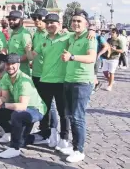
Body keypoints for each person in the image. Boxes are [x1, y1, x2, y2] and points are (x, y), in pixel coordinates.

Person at [0, 53, 46, 158]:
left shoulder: (24, 80)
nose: (10, 66)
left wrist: (3, 105)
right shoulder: (5, 78)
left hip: (34, 110)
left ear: (18, 64)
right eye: (8, 64)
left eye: (13, 63)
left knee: (17, 115)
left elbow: (23, 106)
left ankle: (15, 148)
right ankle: (15, 134)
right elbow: (5, 97)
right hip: (20, 109)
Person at [26, 13, 70, 150]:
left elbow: (83, 35)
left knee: (63, 112)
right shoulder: (43, 39)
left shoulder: (67, 37)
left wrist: (92, 30)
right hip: (45, 80)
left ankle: (64, 138)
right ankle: (50, 134)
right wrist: (28, 50)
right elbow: (32, 56)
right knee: (45, 110)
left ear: (59, 23)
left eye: (53, 22)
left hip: (61, 80)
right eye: (48, 22)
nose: (50, 25)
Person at [60, 10, 97, 162]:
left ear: (86, 24)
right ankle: (74, 145)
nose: (75, 23)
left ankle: (79, 150)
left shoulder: (89, 38)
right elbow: (61, 32)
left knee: (78, 117)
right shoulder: (72, 36)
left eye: (79, 21)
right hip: (69, 80)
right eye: (73, 20)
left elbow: (91, 58)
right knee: (70, 114)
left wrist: (72, 57)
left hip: (82, 82)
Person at [6, 10, 32, 76]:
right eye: (9, 19)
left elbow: (29, 55)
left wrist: (14, 60)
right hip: (12, 72)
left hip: (22, 73)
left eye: (14, 19)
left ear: (21, 20)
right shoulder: (13, 33)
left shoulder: (24, 34)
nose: (11, 21)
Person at [91, 26, 108, 93]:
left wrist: (99, 54)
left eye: (92, 29)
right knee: (91, 73)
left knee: (94, 73)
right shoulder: (85, 35)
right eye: (89, 29)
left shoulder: (98, 37)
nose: (90, 31)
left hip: (96, 58)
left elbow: (106, 46)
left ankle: (94, 86)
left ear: (95, 30)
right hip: (89, 56)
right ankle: (96, 83)